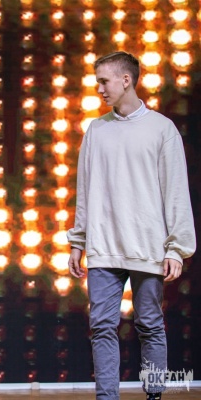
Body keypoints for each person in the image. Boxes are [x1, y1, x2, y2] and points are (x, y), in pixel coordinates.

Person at [67, 51, 196, 400]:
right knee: (101, 327)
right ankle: (107, 397)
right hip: (103, 246)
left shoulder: (161, 129)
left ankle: (154, 395)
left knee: (149, 325)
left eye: (103, 81)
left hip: (147, 245)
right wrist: (78, 241)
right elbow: (84, 189)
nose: (99, 89)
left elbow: (176, 192)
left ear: (126, 80)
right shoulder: (96, 130)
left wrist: (176, 248)